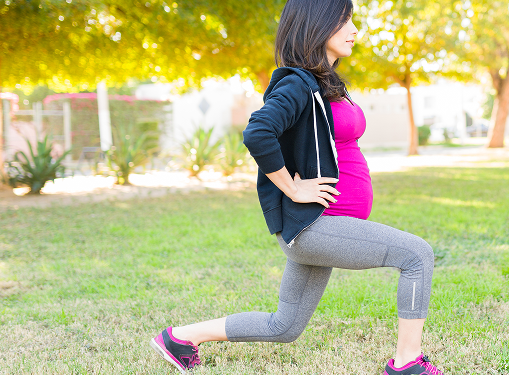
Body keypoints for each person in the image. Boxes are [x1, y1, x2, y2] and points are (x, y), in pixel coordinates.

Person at [149, 1, 442, 374]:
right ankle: (407, 364)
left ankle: (180, 337)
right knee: (416, 255)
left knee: (284, 326)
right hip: (315, 225)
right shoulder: (297, 83)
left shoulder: (322, 83)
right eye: (346, 20)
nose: (355, 30)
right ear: (318, 25)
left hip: (322, 225)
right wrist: (292, 188)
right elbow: (258, 132)